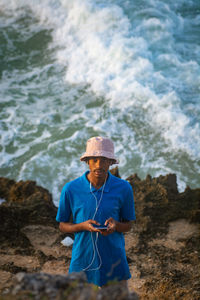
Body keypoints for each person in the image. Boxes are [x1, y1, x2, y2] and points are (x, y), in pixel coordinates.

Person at [56, 136, 136, 287]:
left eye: (105, 160)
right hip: (82, 259)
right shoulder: (71, 189)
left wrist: (115, 226)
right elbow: (63, 225)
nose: (99, 165)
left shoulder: (124, 188)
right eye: (94, 160)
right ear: (87, 161)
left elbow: (128, 225)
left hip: (114, 258)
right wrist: (82, 226)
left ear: (111, 162)